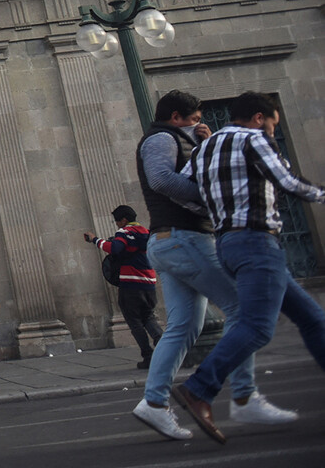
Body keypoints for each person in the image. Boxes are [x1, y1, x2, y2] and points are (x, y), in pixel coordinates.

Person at [130, 90, 294, 441]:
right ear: (176, 117)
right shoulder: (161, 138)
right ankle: (244, 394)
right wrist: (208, 196)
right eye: (194, 120)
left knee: (184, 326)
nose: (200, 125)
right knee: (242, 308)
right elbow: (161, 179)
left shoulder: (182, 139)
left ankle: (154, 403)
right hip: (185, 238)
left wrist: (202, 146)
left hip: (170, 242)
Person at [170, 91, 325, 444]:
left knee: (313, 319)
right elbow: (288, 182)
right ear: (259, 118)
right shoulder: (255, 139)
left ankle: (203, 389)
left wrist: (214, 211)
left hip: (228, 242)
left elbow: (182, 191)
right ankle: (198, 388)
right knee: (256, 327)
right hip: (257, 241)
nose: (272, 131)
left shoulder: (205, 148)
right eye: (272, 124)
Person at [84, 205, 162, 368]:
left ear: (124, 220)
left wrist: (95, 239)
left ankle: (148, 356)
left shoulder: (125, 232)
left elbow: (114, 248)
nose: (117, 224)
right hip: (149, 282)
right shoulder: (146, 232)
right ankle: (163, 345)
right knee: (148, 316)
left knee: (134, 320)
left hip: (131, 284)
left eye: (117, 221)